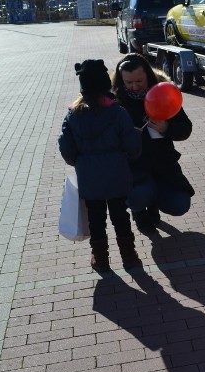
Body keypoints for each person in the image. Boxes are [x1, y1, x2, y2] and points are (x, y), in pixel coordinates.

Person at [57, 59, 143, 272]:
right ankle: (129, 256)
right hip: (117, 173)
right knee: (120, 216)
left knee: (96, 219)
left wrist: (78, 161)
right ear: (105, 84)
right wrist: (130, 154)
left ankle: (101, 259)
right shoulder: (117, 112)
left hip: (89, 175)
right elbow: (132, 145)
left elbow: (65, 146)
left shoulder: (73, 114)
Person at [112, 53, 195, 232]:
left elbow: (185, 128)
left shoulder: (163, 92)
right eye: (129, 82)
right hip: (134, 168)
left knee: (180, 204)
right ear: (121, 81)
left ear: (148, 76)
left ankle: (155, 203)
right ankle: (140, 211)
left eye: (139, 81)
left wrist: (166, 128)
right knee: (137, 197)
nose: (135, 86)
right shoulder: (115, 102)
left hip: (164, 164)